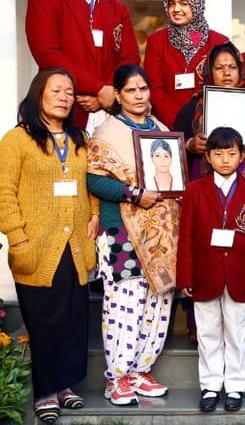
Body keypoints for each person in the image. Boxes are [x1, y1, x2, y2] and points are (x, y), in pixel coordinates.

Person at [0, 69, 98, 424]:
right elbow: (4, 192)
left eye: (70, 92)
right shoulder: (18, 140)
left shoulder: (79, 138)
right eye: (56, 90)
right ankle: (46, 391)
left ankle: (66, 385)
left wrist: (95, 217)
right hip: (36, 247)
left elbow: (92, 184)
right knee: (44, 320)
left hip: (75, 244)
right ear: (38, 93)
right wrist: (18, 236)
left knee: (74, 318)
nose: (64, 96)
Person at [174, 42, 245, 339]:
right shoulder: (196, 105)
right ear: (210, 71)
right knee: (205, 250)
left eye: (232, 67)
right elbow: (173, 141)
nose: (226, 73)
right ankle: (203, 328)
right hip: (206, 197)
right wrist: (189, 144)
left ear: (241, 71)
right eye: (219, 67)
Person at [86, 64, 179, 406]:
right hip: (121, 229)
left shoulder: (161, 130)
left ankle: (140, 369)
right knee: (124, 303)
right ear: (119, 95)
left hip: (161, 234)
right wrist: (134, 193)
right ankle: (117, 377)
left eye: (143, 88)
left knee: (158, 301)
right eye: (131, 90)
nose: (139, 96)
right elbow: (95, 180)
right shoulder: (107, 132)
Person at [177, 127, 245, 413]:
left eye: (231, 153)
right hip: (205, 272)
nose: (225, 159)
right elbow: (187, 236)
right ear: (208, 156)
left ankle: (236, 385)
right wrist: (185, 276)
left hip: (240, 273)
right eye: (218, 153)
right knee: (207, 331)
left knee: (237, 331)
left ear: (242, 156)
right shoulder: (195, 190)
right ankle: (211, 384)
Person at [25, 0, 139, 129]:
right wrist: (98, 88)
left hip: (108, 111)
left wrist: (108, 93)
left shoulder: (118, 8)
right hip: (63, 107)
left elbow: (130, 58)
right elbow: (48, 55)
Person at [144, 0, 229, 126]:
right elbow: (155, 88)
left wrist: (203, 124)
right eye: (171, 3)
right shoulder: (156, 41)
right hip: (168, 125)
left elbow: (227, 87)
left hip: (210, 126)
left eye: (184, 3)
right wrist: (180, 123)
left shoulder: (219, 42)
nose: (176, 9)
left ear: (196, 5)